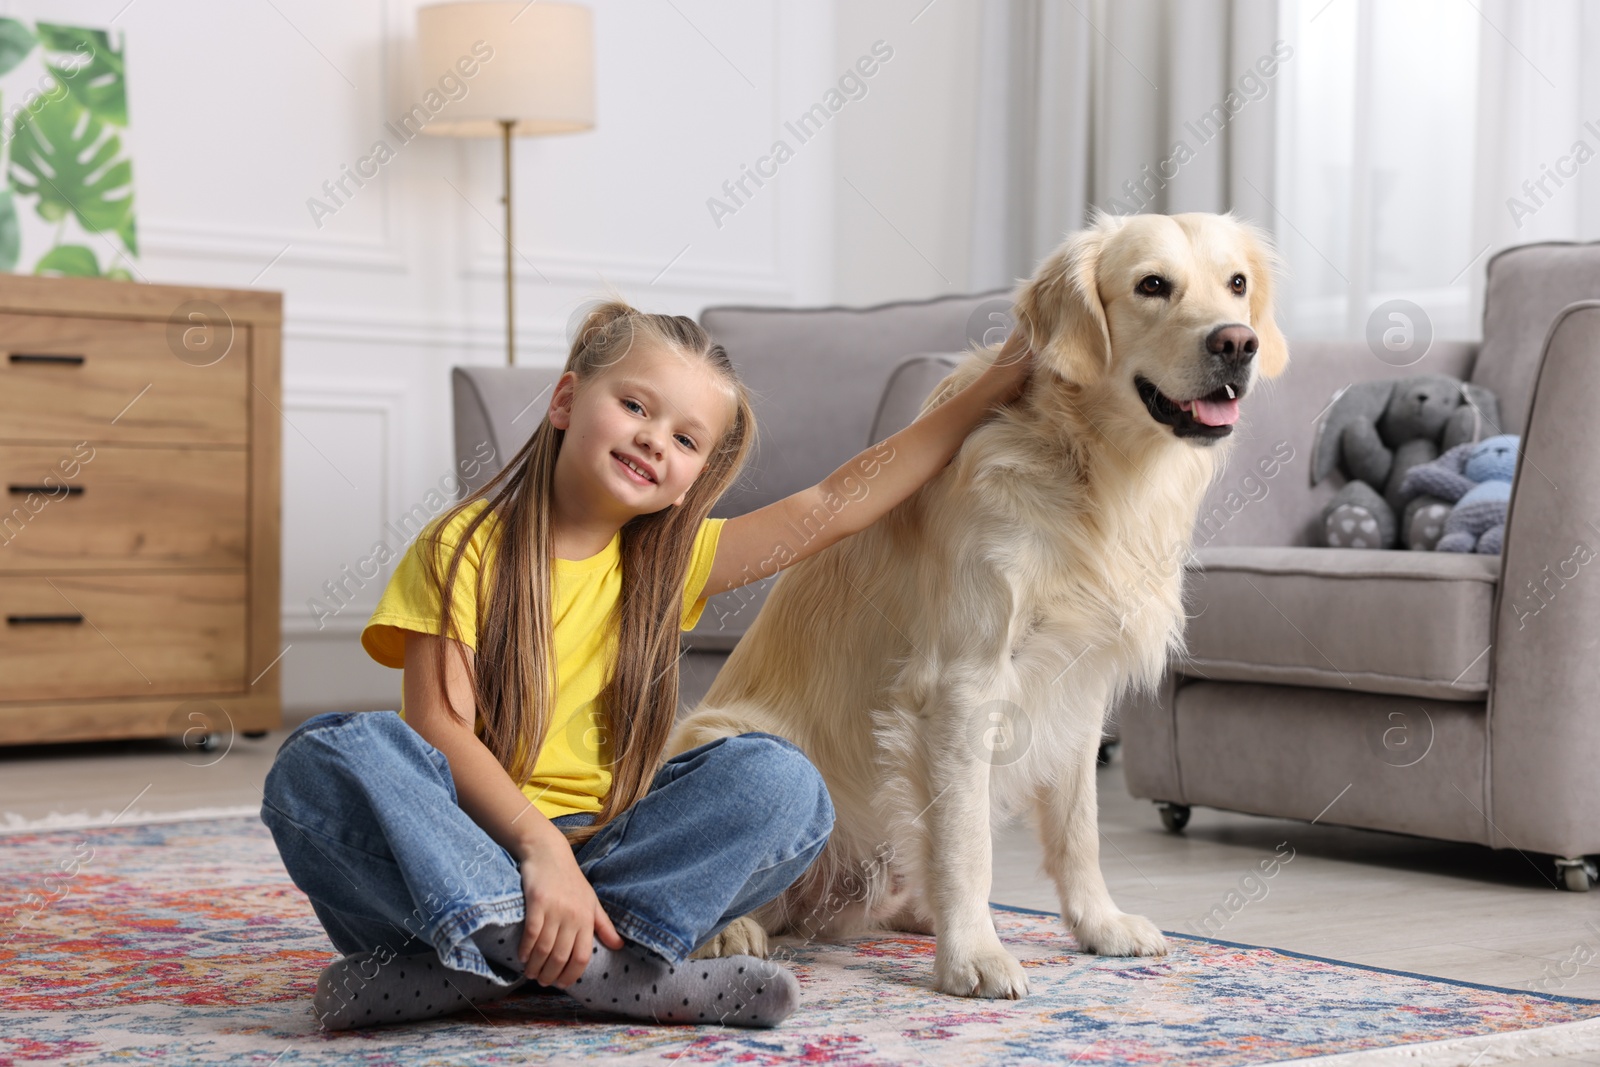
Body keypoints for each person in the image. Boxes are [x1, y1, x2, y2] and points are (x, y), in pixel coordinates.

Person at [261, 299, 1033, 1032]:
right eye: (635, 406)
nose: (654, 439)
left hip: (609, 862)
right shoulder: (460, 546)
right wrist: (541, 851)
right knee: (326, 758)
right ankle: (606, 971)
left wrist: (994, 385)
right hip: (462, 856)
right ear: (565, 400)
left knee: (783, 780)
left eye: (686, 438)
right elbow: (438, 726)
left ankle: (480, 969)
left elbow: (835, 501)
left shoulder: (670, 563)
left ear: (696, 474)